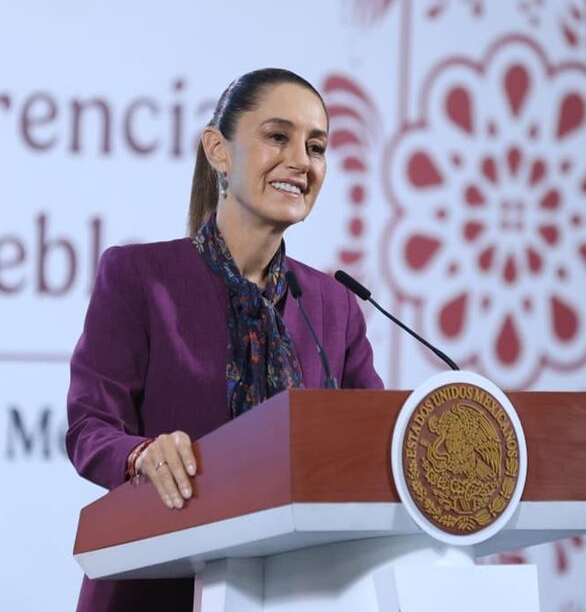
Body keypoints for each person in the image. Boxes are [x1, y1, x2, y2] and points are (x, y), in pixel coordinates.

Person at [65, 68, 384, 611]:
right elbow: (90, 427)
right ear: (218, 149)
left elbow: (378, 443)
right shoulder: (140, 277)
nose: (302, 162)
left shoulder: (335, 306)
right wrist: (141, 455)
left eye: (316, 147)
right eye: (277, 137)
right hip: (154, 588)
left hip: (297, 592)